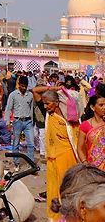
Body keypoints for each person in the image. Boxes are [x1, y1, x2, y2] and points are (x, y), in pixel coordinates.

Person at [39, 88, 82, 220]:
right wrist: (55, 88)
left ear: (57, 102)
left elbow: (77, 138)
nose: (45, 107)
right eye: (44, 104)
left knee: (67, 189)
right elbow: (35, 90)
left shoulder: (69, 118)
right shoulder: (50, 115)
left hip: (66, 157)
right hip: (52, 158)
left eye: (48, 104)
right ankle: (55, 217)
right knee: (53, 188)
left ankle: (69, 217)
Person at [5, 74, 36, 162]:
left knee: (31, 144)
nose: (23, 88)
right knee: (16, 143)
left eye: (25, 86)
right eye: (22, 86)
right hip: (17, 121)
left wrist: (32, 122)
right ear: (19, 85)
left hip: (28, 122)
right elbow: (8, 109)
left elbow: (31, 110)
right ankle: (16, 163)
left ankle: (31, 163)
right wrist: (7, 123)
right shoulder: (13, 95)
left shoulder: (30, 95)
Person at [80, 94, 105, 170]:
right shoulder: (85, 125)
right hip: (93, 168)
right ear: (92, 107)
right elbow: (80, 148)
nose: (104, 107)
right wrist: (85, 164)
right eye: (101, 105)